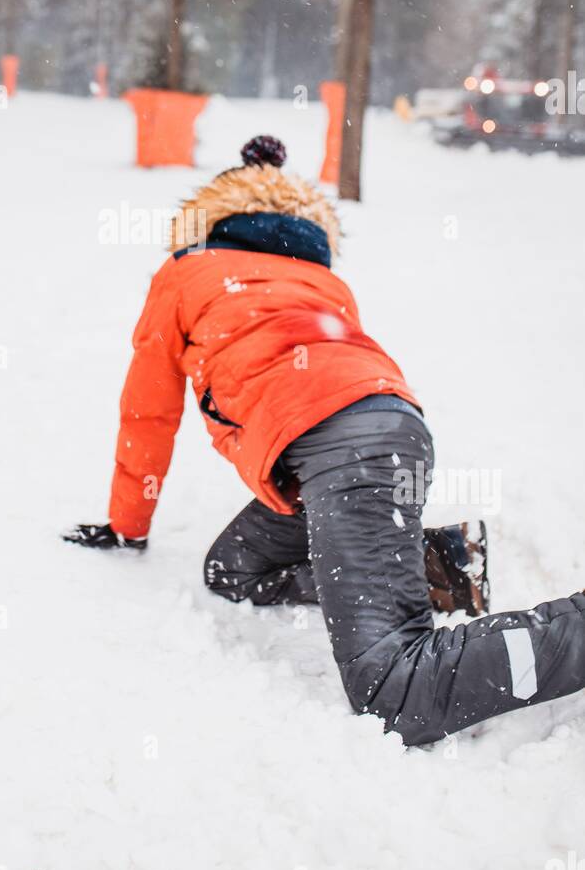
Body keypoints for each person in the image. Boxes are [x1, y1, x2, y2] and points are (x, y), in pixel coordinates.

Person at [65, 136, 585, 746]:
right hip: (386, 433)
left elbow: (147, 414)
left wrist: (129, 524)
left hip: (343, 452)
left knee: (397, 686)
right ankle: (445, 565)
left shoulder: (185, 271)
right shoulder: (319, 277)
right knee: (231, 569)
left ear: (210, 218)